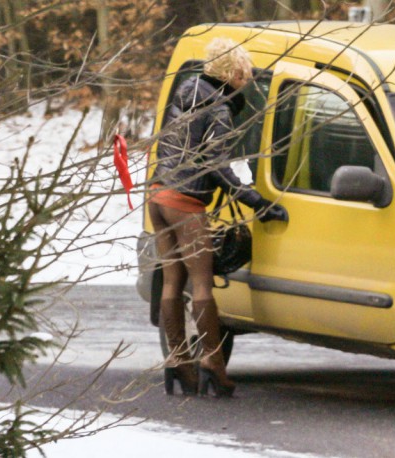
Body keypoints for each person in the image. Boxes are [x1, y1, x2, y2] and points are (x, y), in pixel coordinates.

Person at [149, 38, 288, 397]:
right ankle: (212, 362)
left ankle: (178, 361)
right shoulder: (219, 110)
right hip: (185, 202)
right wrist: (258, 202)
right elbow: (217, 165)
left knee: (170, 282)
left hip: (159, 193)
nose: (250, 75)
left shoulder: (186, 91)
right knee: (201, 284)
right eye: (246, 69)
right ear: (234, 71)